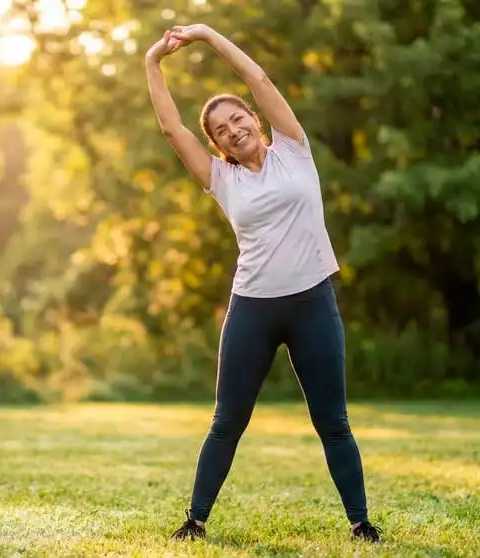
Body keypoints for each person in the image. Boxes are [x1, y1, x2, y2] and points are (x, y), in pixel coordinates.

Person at [144, 24, 382, 544]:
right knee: (227, 420)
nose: (232, 130)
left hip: (312, 303)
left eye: (238, 119)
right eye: (220, 131)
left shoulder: (294, 149)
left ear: (255, 118)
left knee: (333, 421)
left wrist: (207, 35)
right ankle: (195, 521)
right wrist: (152, 62)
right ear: (216, 145)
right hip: (252, 308)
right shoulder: (222, 179)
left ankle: (361, 523)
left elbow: (258, 78)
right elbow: (171, 129)